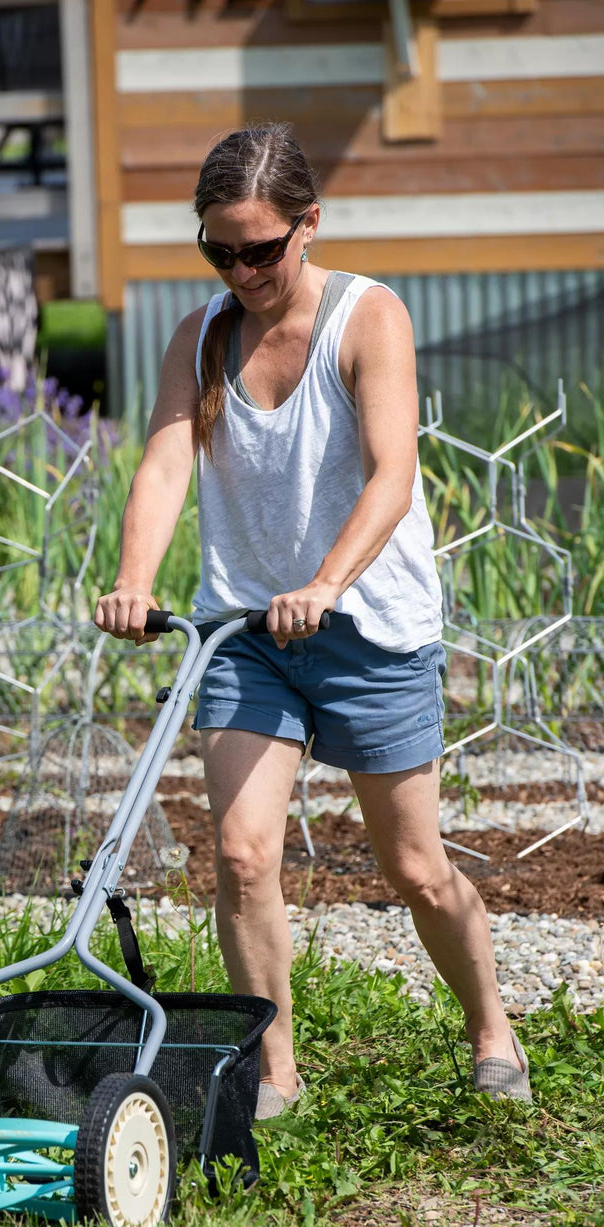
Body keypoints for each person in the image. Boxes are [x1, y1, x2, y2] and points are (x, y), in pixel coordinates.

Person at [94, 122, 530, 1113]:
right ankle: (272, 1069)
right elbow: (165, 461)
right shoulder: (199, 336)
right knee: (243, 856)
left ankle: (491, 1027)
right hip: (245, 633)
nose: (241, 268)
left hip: (368, 629)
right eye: (219, 249)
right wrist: (131, 577)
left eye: (261, 247)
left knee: (415, 868)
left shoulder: (367, 317)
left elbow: (392, 473)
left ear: (309, 224)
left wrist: (327, 581)